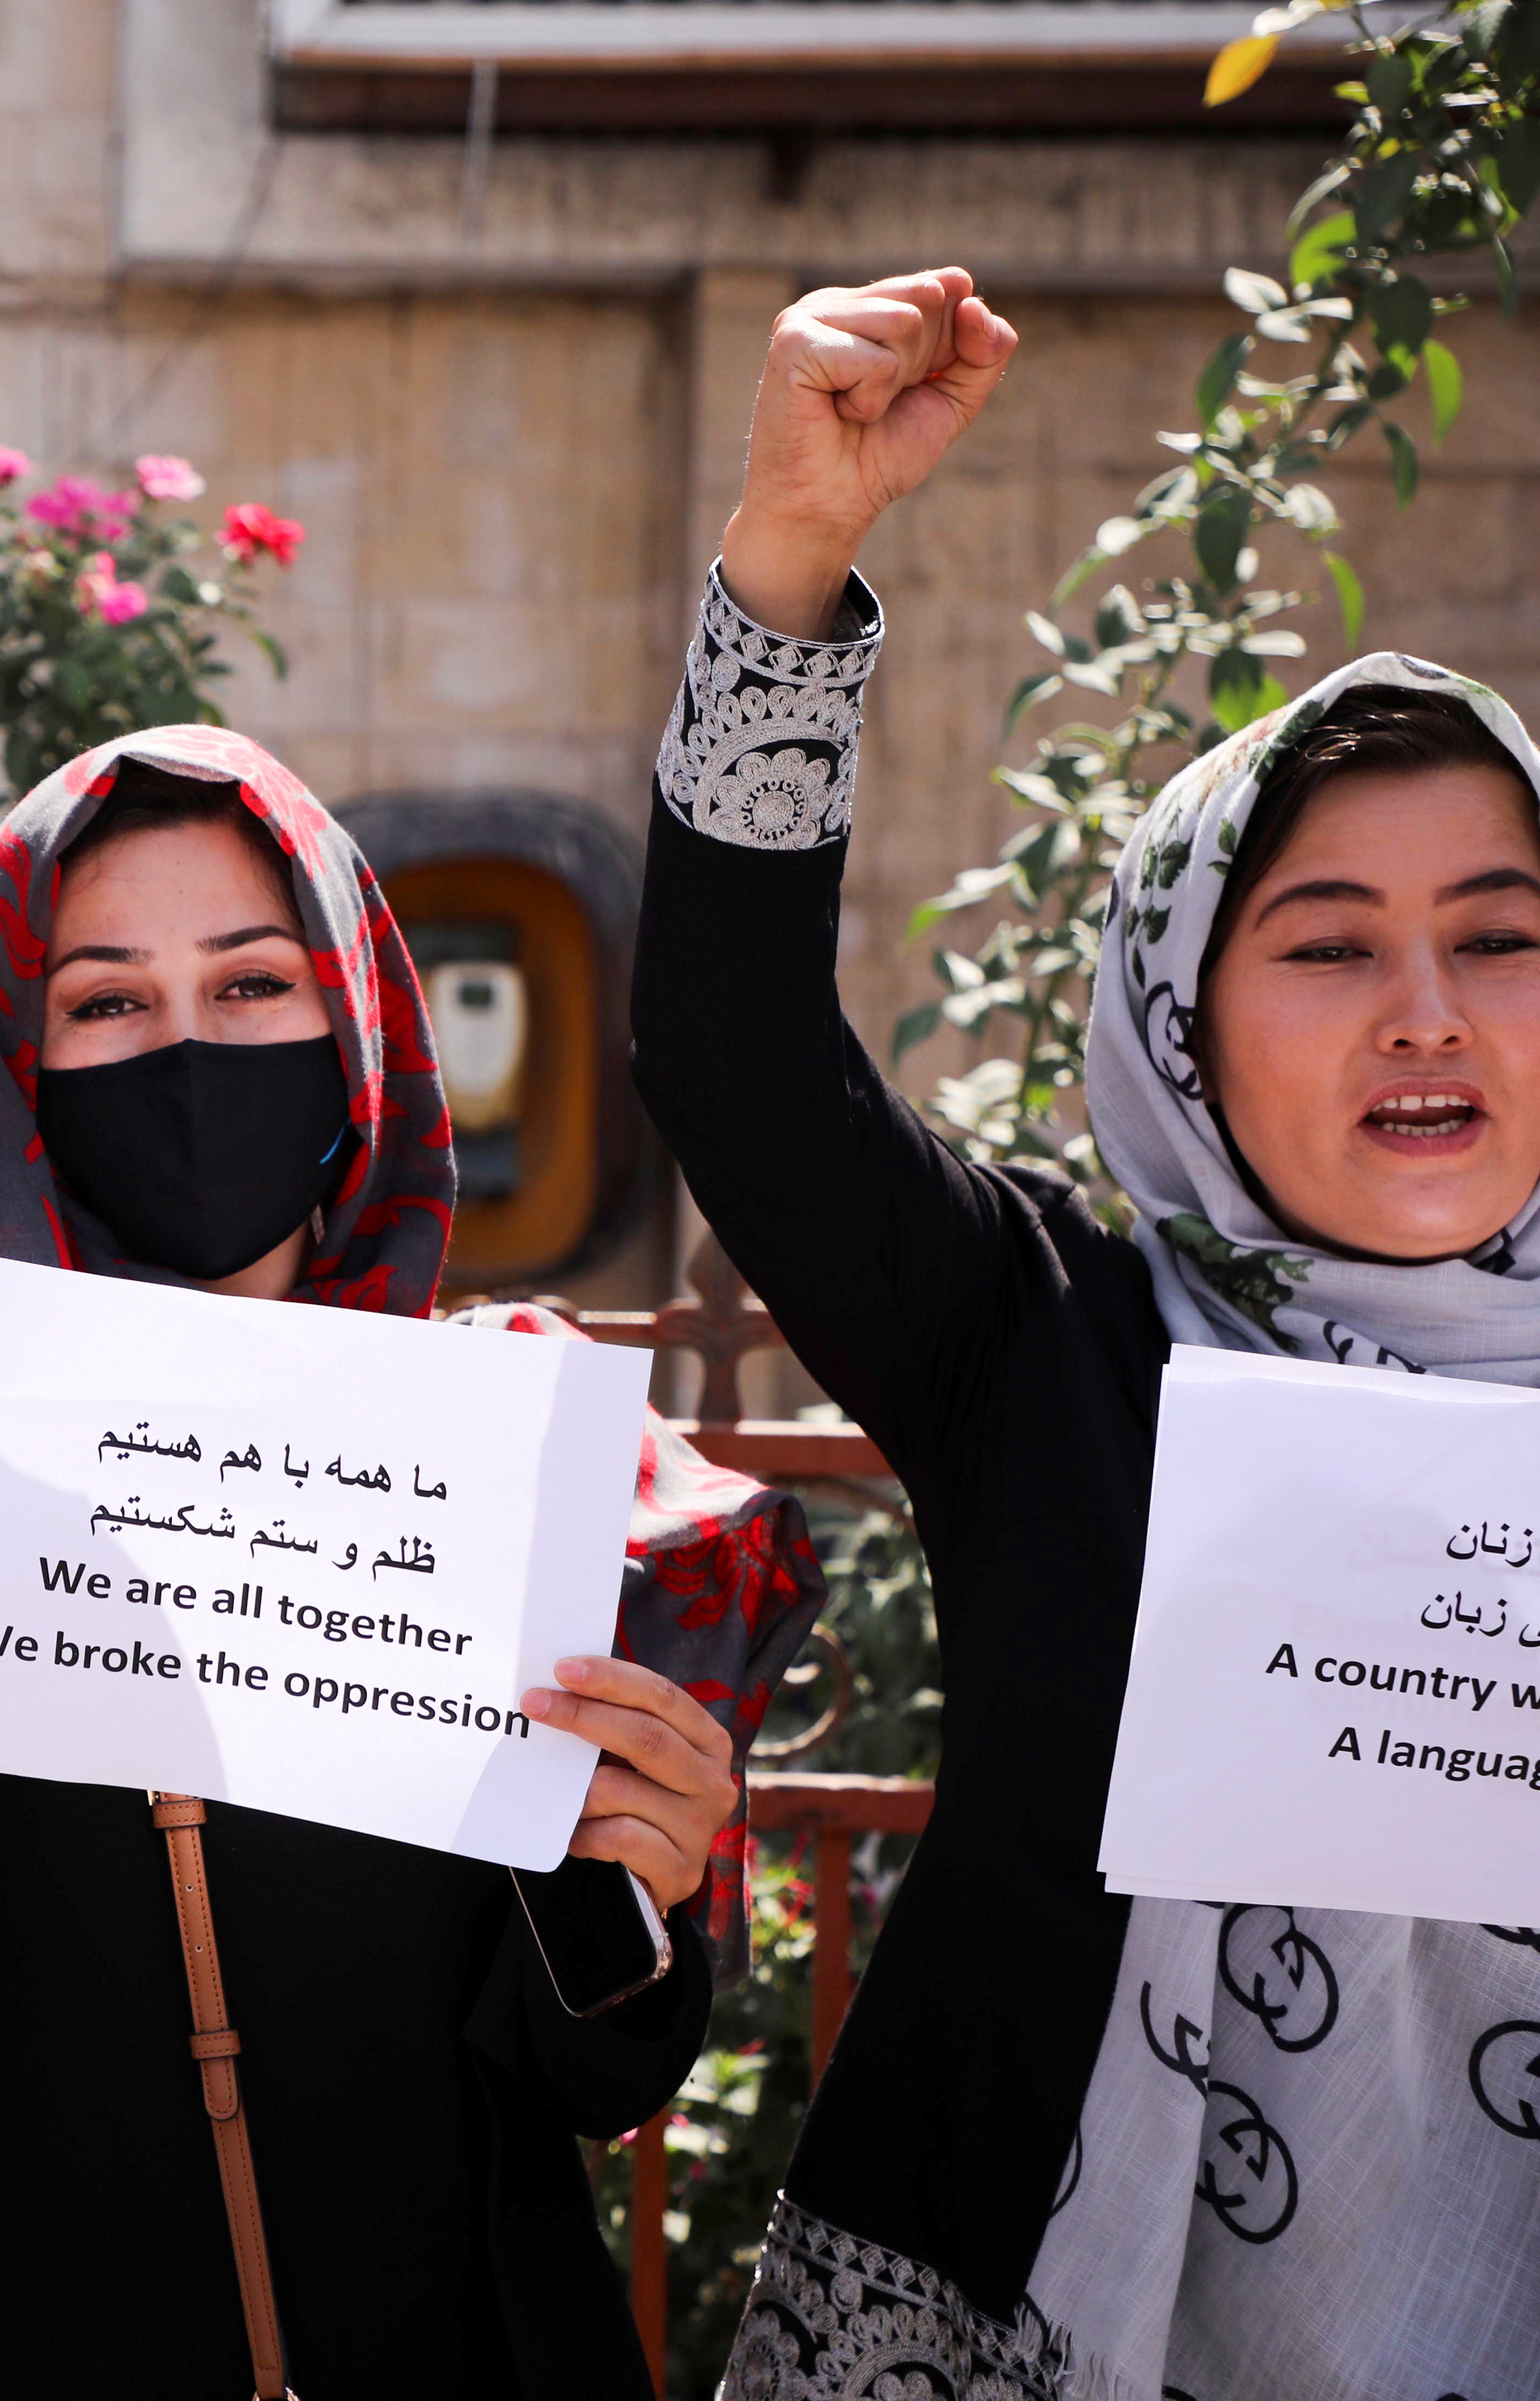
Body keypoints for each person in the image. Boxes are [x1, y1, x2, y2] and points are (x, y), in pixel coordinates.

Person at [0, 18, 826, 2396]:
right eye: (109, 1000)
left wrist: (637, 1891)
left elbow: (593, 2073)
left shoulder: (499, 1477)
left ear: (368, 1043)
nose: (185, 1047)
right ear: (21, 1066)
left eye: (254, 982)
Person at [640, 268, 1540, 2398]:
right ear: (1180, 1026)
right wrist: (791, 555)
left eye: (1500, 938)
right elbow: (735, 1059)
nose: (1428, 1008)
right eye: (1328, 945)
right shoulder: (1057, 1344)